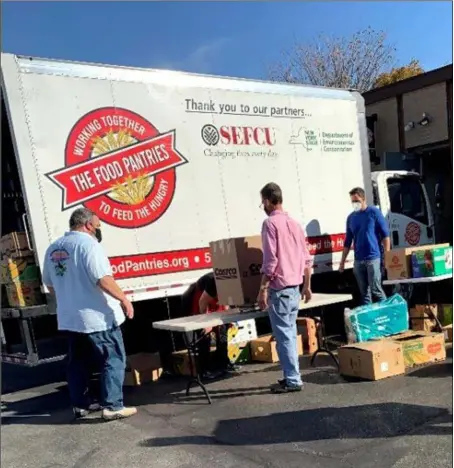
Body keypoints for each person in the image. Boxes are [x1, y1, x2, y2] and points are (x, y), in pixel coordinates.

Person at [42, 208, 137, 421]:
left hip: (70, 318)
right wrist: (123, 299)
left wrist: (69, 299)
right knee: (113, 359)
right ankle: (113, 406)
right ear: (87, 225)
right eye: (97, 226)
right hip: (97, 318)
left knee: (77, 362)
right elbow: (102, 279)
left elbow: (49, 284)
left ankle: (80, 405)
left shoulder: (53, 248)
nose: (98, 230)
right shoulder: (88, 245)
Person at [257, 182, 313, 394]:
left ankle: (293, 379)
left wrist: (263, 289)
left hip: (279, 289)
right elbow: (306, 259)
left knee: (285, 336)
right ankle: (292, 375)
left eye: (262, 201)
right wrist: (307, 286)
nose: (262, 205)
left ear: (269, 201)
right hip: (295, 287)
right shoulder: (295, 224)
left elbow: (270, 261)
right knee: (288, 333)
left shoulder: (270, 224)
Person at [339, 187, 391, 305]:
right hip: (359, 260)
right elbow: (348, 241)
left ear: (363, 199)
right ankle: (370, 318)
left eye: (357, 201)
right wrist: (342, 261)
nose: (355, 204)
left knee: (376, 289)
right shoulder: (351, 218)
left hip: (373, 258)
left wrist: (387, 257)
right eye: (352, 201)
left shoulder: (373, 212)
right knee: (364, 293)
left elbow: (385, 236)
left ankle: (387, 313)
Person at [181, 272, 235, 379]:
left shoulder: (233, 283)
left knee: (223, 330)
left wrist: (229, 318)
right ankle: (204, 370)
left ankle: (223, 364)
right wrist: (206, 323)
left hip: (214, 300)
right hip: (201, 301)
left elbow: (226, 301)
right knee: (204, 336)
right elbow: (202, 302)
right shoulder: (214, 282)